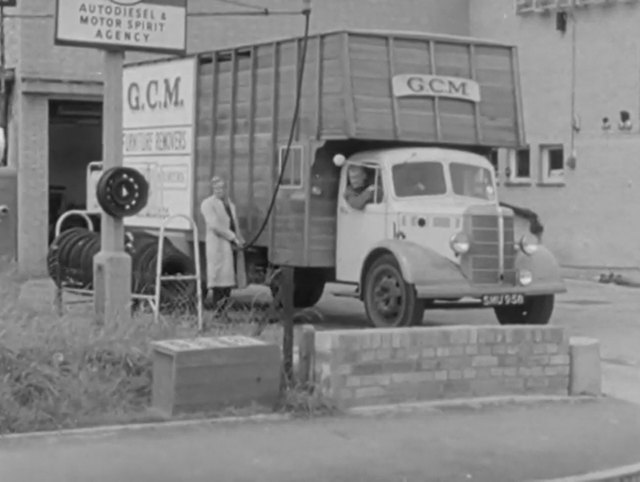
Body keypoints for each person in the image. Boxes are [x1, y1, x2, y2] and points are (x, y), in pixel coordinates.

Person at [200, 176, 244, 310]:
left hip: (228, 245)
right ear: (212, 189)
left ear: (226, 189)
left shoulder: (229, 204)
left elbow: (234, 222)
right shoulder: (208, 204)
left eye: (221, 188)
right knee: (218, 280)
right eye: (216, 188)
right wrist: (232, 237)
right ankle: (218, 311)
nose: (219, 190)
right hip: (217, 244)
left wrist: (239, 237)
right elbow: (214, 225)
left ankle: (223, 310)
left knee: (227, 280)